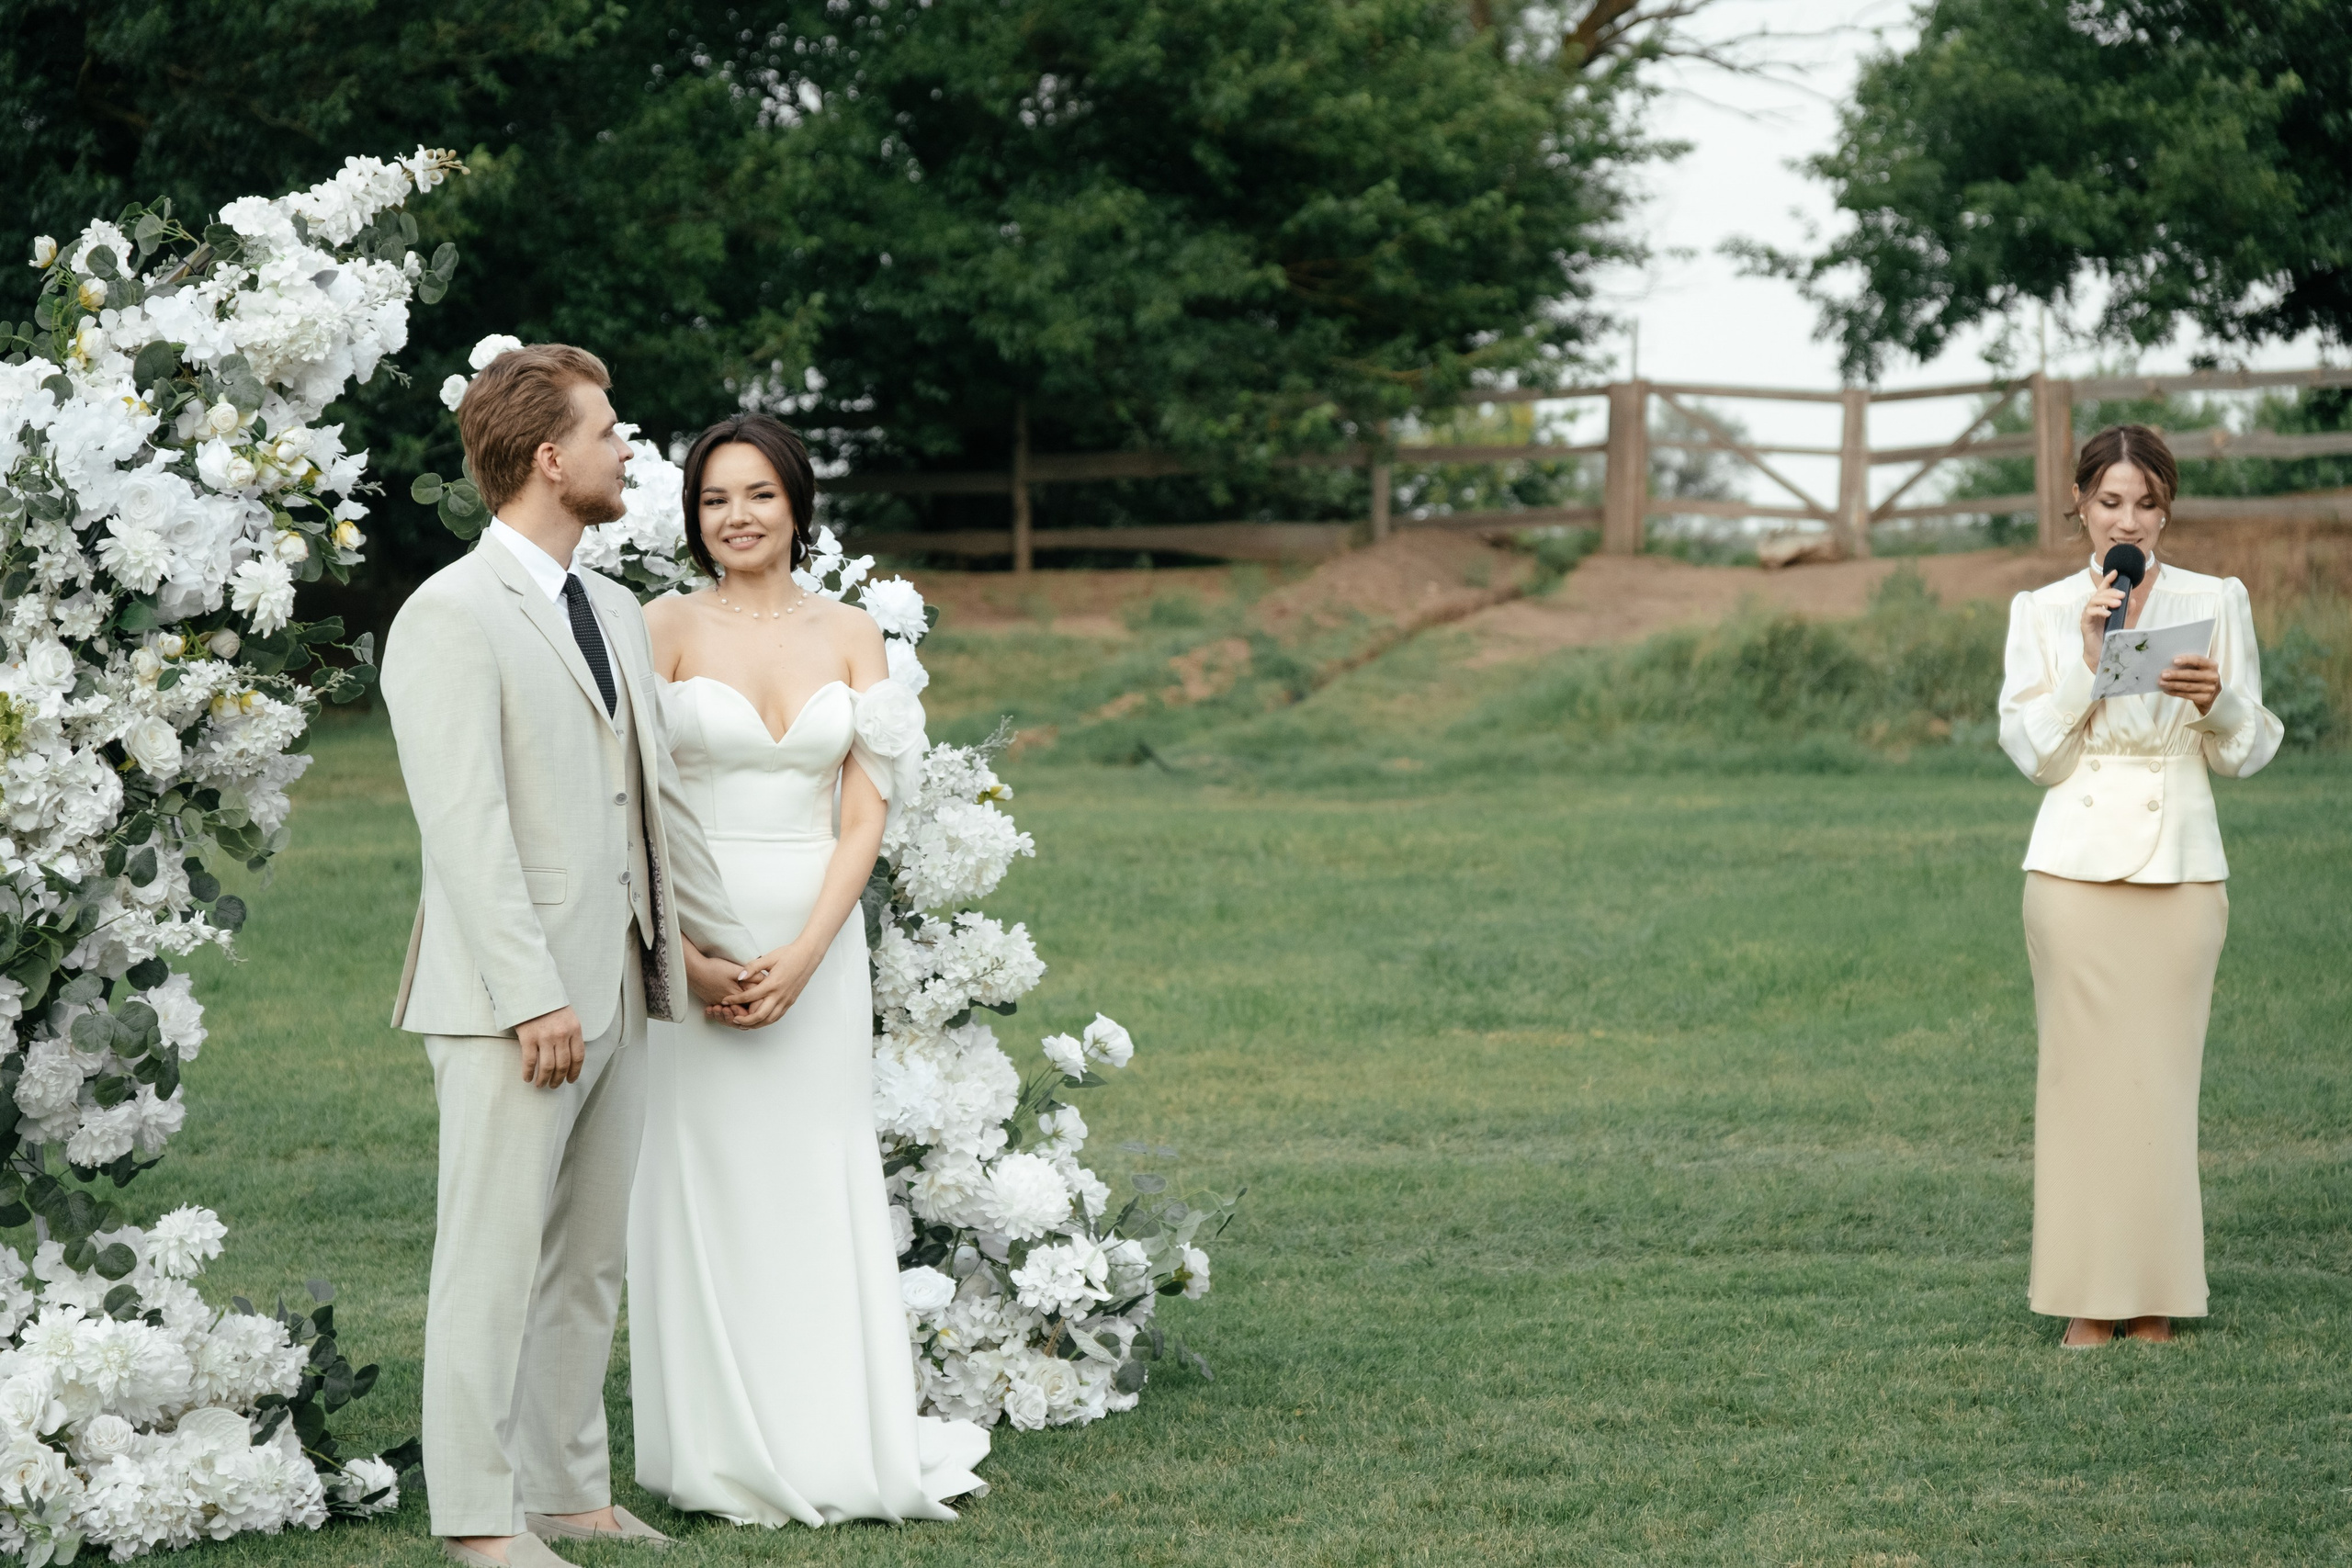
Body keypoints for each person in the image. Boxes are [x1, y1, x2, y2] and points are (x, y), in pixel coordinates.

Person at [380, 345, 763, 1565]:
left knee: (588, 1259)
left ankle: (568, 1491)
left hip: (626, 982)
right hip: (515, 1001)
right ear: (550, 458)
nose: (627, 448)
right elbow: (466, 828)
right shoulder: (447, 614)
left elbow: (658, 800)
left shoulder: (609, 607)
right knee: (490, 1263)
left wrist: (721, 946)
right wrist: (530, 994)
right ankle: (476, 1519)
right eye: (607, 431)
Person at [626, 413, 989, 1527]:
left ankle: (834, 1434)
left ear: (797, 505)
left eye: (757, 495)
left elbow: (863, 813)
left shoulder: (853, 635)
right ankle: (718, 1448)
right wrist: (687, 958)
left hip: (820, 940)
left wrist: (812, 953)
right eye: (713, 500)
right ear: (693, 518)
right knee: (706, 1178)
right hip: (695, 933)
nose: (735, 517)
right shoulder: (659, 625)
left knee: (814, 1176)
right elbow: (630, 807)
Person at [1996, 423, 2282, 1349]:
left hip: (2181, 870)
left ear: (2166, 510)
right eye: (2111, 501)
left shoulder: (2215, 599)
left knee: (2160, 1086)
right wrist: (2087, 663)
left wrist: (2215, 701)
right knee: (2080, 1088)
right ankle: (2087, 1297)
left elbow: (2249, 748)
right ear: (2078, 505)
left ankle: (2154, 1297)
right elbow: (2037, 757)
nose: (2129, 521)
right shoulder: (2041, 610)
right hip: (2072, 876)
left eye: (2147, 504)